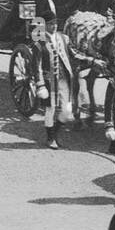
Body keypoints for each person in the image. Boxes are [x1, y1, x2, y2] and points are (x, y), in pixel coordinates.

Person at [33, 12, 77, 150]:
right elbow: (36, 66)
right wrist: (40, 85)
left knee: (66, 112)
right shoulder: (39, 43)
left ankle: (56, 132)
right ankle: (50, 138)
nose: (54, 26)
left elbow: (74, 54)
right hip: (49, 82)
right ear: (44, 25)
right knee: (50, 110)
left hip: (64, 81)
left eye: (55, 23)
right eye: (50, 24)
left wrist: (92, 60)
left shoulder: (64, 38)